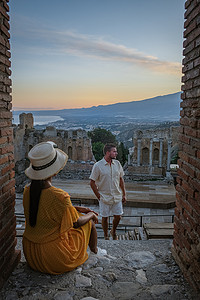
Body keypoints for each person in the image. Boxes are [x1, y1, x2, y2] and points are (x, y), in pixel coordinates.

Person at [23, 141, 98, 275]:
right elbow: (76, 223)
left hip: (31, 254)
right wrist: (91, 215)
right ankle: (95, 251)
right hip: (55, 258)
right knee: (89, 223)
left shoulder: (27, 191)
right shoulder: (59, 196)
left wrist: (75, 208)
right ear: (55, 171)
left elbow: (44, 208)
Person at [89, 143, 126, 240]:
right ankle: (105, 235)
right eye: (114, 151)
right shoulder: (98, 166)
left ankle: (113, 231)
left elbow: (121, 179)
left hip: (117, 195)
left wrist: (124, 194)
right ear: (107, 152)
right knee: (104, 218)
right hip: (104, 196)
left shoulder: (117, 164)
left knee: (118, 216)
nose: (116, 153)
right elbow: (92, 182)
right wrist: (99, 197)